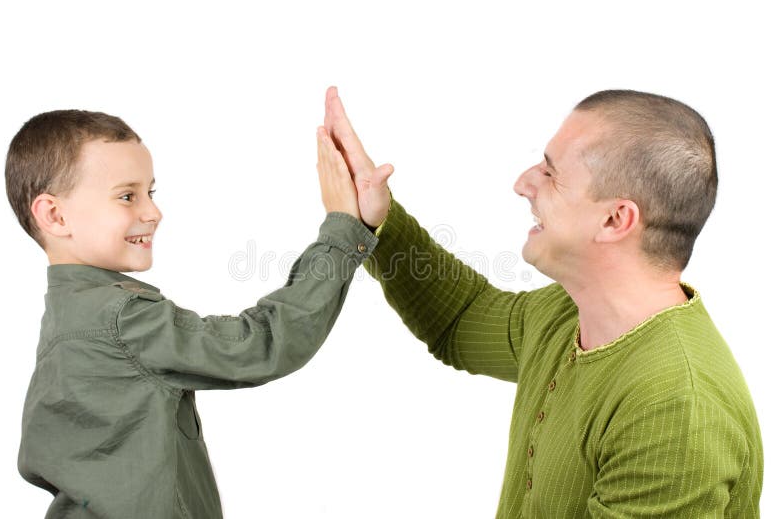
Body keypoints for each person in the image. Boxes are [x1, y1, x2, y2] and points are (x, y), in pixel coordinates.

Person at [321, 87, 763, 517]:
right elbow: (460, 320)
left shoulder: (674, 409)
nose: (523, 183)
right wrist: (373, 220)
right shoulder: (566, 312)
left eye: (551, 174)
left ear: (615, 219)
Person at [6, 110, 376, 518]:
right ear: (55, 216)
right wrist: (343, 230)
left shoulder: (69, 315)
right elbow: (259, 346)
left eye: (151, 191)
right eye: (127, 195)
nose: (153, 212)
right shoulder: (120, 319)